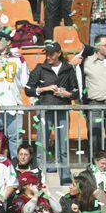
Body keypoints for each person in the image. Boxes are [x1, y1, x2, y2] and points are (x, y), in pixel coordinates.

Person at [23, 41, 78, 185]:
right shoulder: (40, 68)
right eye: (47, 54)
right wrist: (44, 89)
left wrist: (67, 94)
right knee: (42, 145)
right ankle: (38, 178)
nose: (48, 57)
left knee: (63, 146)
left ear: (59, 53)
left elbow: (76, 91)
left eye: (51, 54)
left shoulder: (68, 69)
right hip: (45, 110)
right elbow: (28, 89)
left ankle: (65, 177)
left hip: (62, 111)